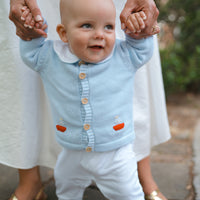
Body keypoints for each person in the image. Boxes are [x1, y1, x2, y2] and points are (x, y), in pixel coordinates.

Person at [4, 0, 170, 200]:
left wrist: (137, 34)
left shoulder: (124, 55)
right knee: (66, 189)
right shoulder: (50, 57)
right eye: (87, 26)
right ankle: (35, 184)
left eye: (108, 26)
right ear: (63, 33)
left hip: (117, 155)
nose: (99, 34)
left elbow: (142, 50)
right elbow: (31, 53)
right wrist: (31, 35)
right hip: (71, 154)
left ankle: (143, 183)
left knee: (129, 193)